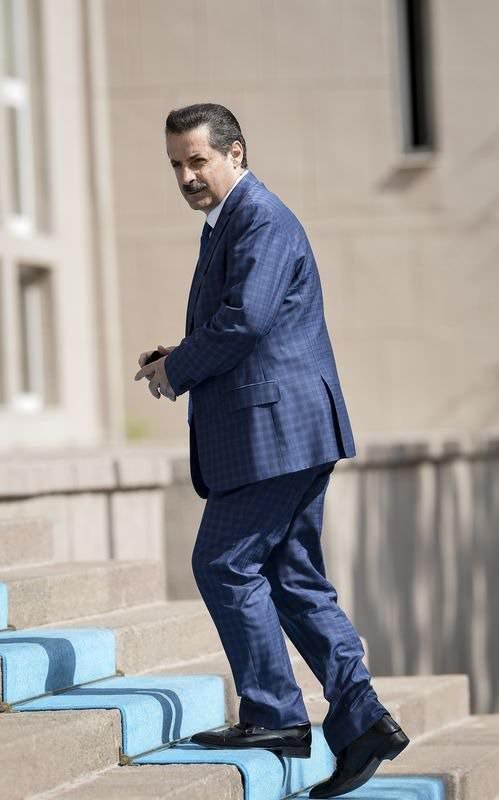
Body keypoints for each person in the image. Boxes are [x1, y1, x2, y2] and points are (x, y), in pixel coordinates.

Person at [133, 103, 409, 797]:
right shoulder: (234, 221)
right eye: (175, 165)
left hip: (275, 432)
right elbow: (253, 324)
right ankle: (362, 718)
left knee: (223, 563)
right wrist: (179, 353)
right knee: (292, 577)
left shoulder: (259, 217)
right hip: (287, 429)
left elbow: (246, 320)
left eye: (198, 160)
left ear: (236, 153)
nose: (186, 176)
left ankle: (274, 714)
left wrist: (179, 368)